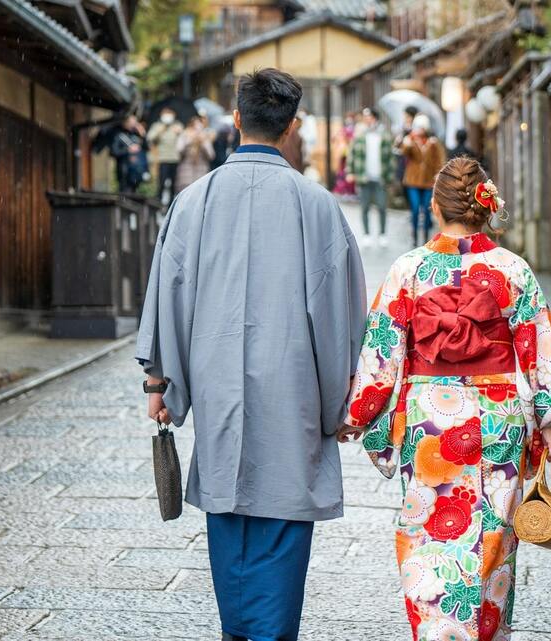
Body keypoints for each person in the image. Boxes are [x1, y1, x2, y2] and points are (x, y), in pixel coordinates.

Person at [136, 68, 367, 641]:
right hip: (293, 393)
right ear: (291, 126)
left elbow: (169, 296)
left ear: (236, 119)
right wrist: (343, 403)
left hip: (216, 388)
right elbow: (340, 318)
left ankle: (240, 632)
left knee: (229, 515)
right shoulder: (317, 207)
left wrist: (160, 384)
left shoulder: (194, 201)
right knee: (282, 518)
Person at [339, 156, 551, 641]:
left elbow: (382, 351)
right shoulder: (511, 269)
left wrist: (357, 414)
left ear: (434, 207)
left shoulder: (409, 269)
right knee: (494, 538)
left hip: (430, 422)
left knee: (428, 531)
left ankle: (438, 633)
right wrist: (549, 420)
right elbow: (538, 345)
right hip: (498, 418)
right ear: (485, 207)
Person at [348, 107, 394, 247]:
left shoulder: (384, 135)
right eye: (365, 117)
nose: (367, 120)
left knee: (381, 207)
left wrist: (390, 176)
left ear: (375, 118)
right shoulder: (360, 136)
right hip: (364, 177)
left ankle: (382, 234)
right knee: (365, 207)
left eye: (369, 117)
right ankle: (366, 234)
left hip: (380, 177)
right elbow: (352, 154)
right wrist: (350, 171)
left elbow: (390, 158)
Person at [398, 114, 446, 246]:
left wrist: (439, 178)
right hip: (412, 181)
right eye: (417, 127)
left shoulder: (433, 143)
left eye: (421, 127)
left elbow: (439, 161)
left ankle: (425, 237)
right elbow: (403, 152)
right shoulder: (410, 141)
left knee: (426, 209)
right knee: (414, 208)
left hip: (428, 182)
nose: (419, 130)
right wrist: (407, 140)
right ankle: (414, 236)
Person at [148, 107, 183, 203]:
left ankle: (171, 203)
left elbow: (184, 140)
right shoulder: (157, 125)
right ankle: (159, 202)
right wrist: (161, 130)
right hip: (162, 158)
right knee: (161, 183)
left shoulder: (177, 125)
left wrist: (179, 133)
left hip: (174, 159)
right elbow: (150, 138)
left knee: (173, 184)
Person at [110, 114, 149, 194]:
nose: (134, 124)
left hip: (137, 171)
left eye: (135, 122)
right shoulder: (118, 135)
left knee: (135, 194)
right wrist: (128, 150)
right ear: (126, 122)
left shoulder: (137, 135)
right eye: (132, 122)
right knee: (125, 193)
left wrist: (143, 134)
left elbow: (146, 148)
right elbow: (114, 152)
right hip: (124, 171)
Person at [175, 115, 215, 194]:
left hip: (201, 174)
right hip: (185, 175)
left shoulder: (205, 137)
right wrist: (189, 140)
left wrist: (203, 142)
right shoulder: (184, 135)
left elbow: (211, 155)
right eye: (193, 126)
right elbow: (179, 151)